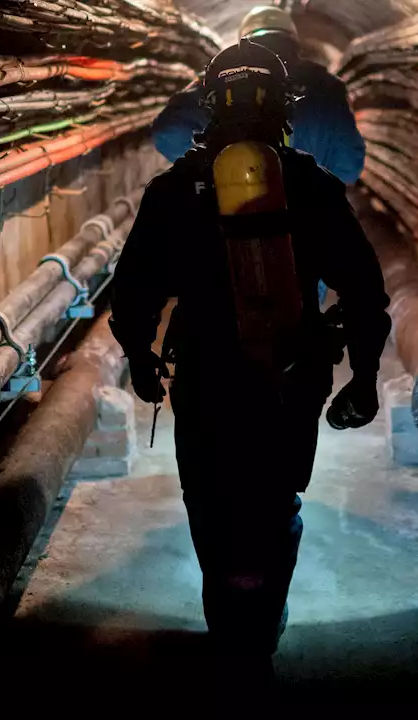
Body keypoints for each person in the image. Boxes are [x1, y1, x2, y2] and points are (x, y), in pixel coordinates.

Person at [110, 40, 391, 688]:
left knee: (208, 503)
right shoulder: (313, 185)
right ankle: (260, 634)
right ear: (282, 108)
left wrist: (141, 359)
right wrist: (365, 380)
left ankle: (227, 634)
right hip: (290, 380)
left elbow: (133, 293)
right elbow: (366, 292)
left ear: (210, 104)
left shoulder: (175, 189)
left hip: (207, 380)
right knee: (277, 502)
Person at [151, 5, 366, 185]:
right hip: (310, 218)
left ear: (243, 42)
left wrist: (215, 170)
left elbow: (168, 132)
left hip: (238, 210)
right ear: (293, 41)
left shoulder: (223, 80)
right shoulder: (327, 86)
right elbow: (350, 166)